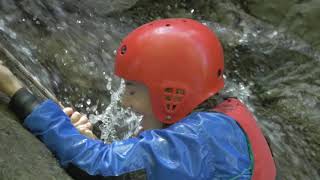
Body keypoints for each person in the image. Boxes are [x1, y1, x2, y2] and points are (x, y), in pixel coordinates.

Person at [0, 18, 276, 180]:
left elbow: (100, 168)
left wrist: (13, 88)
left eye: (131, 89)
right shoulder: (225, 117)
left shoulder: (198, 138)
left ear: (172, 94)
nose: (123, 103)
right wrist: (90, 142)